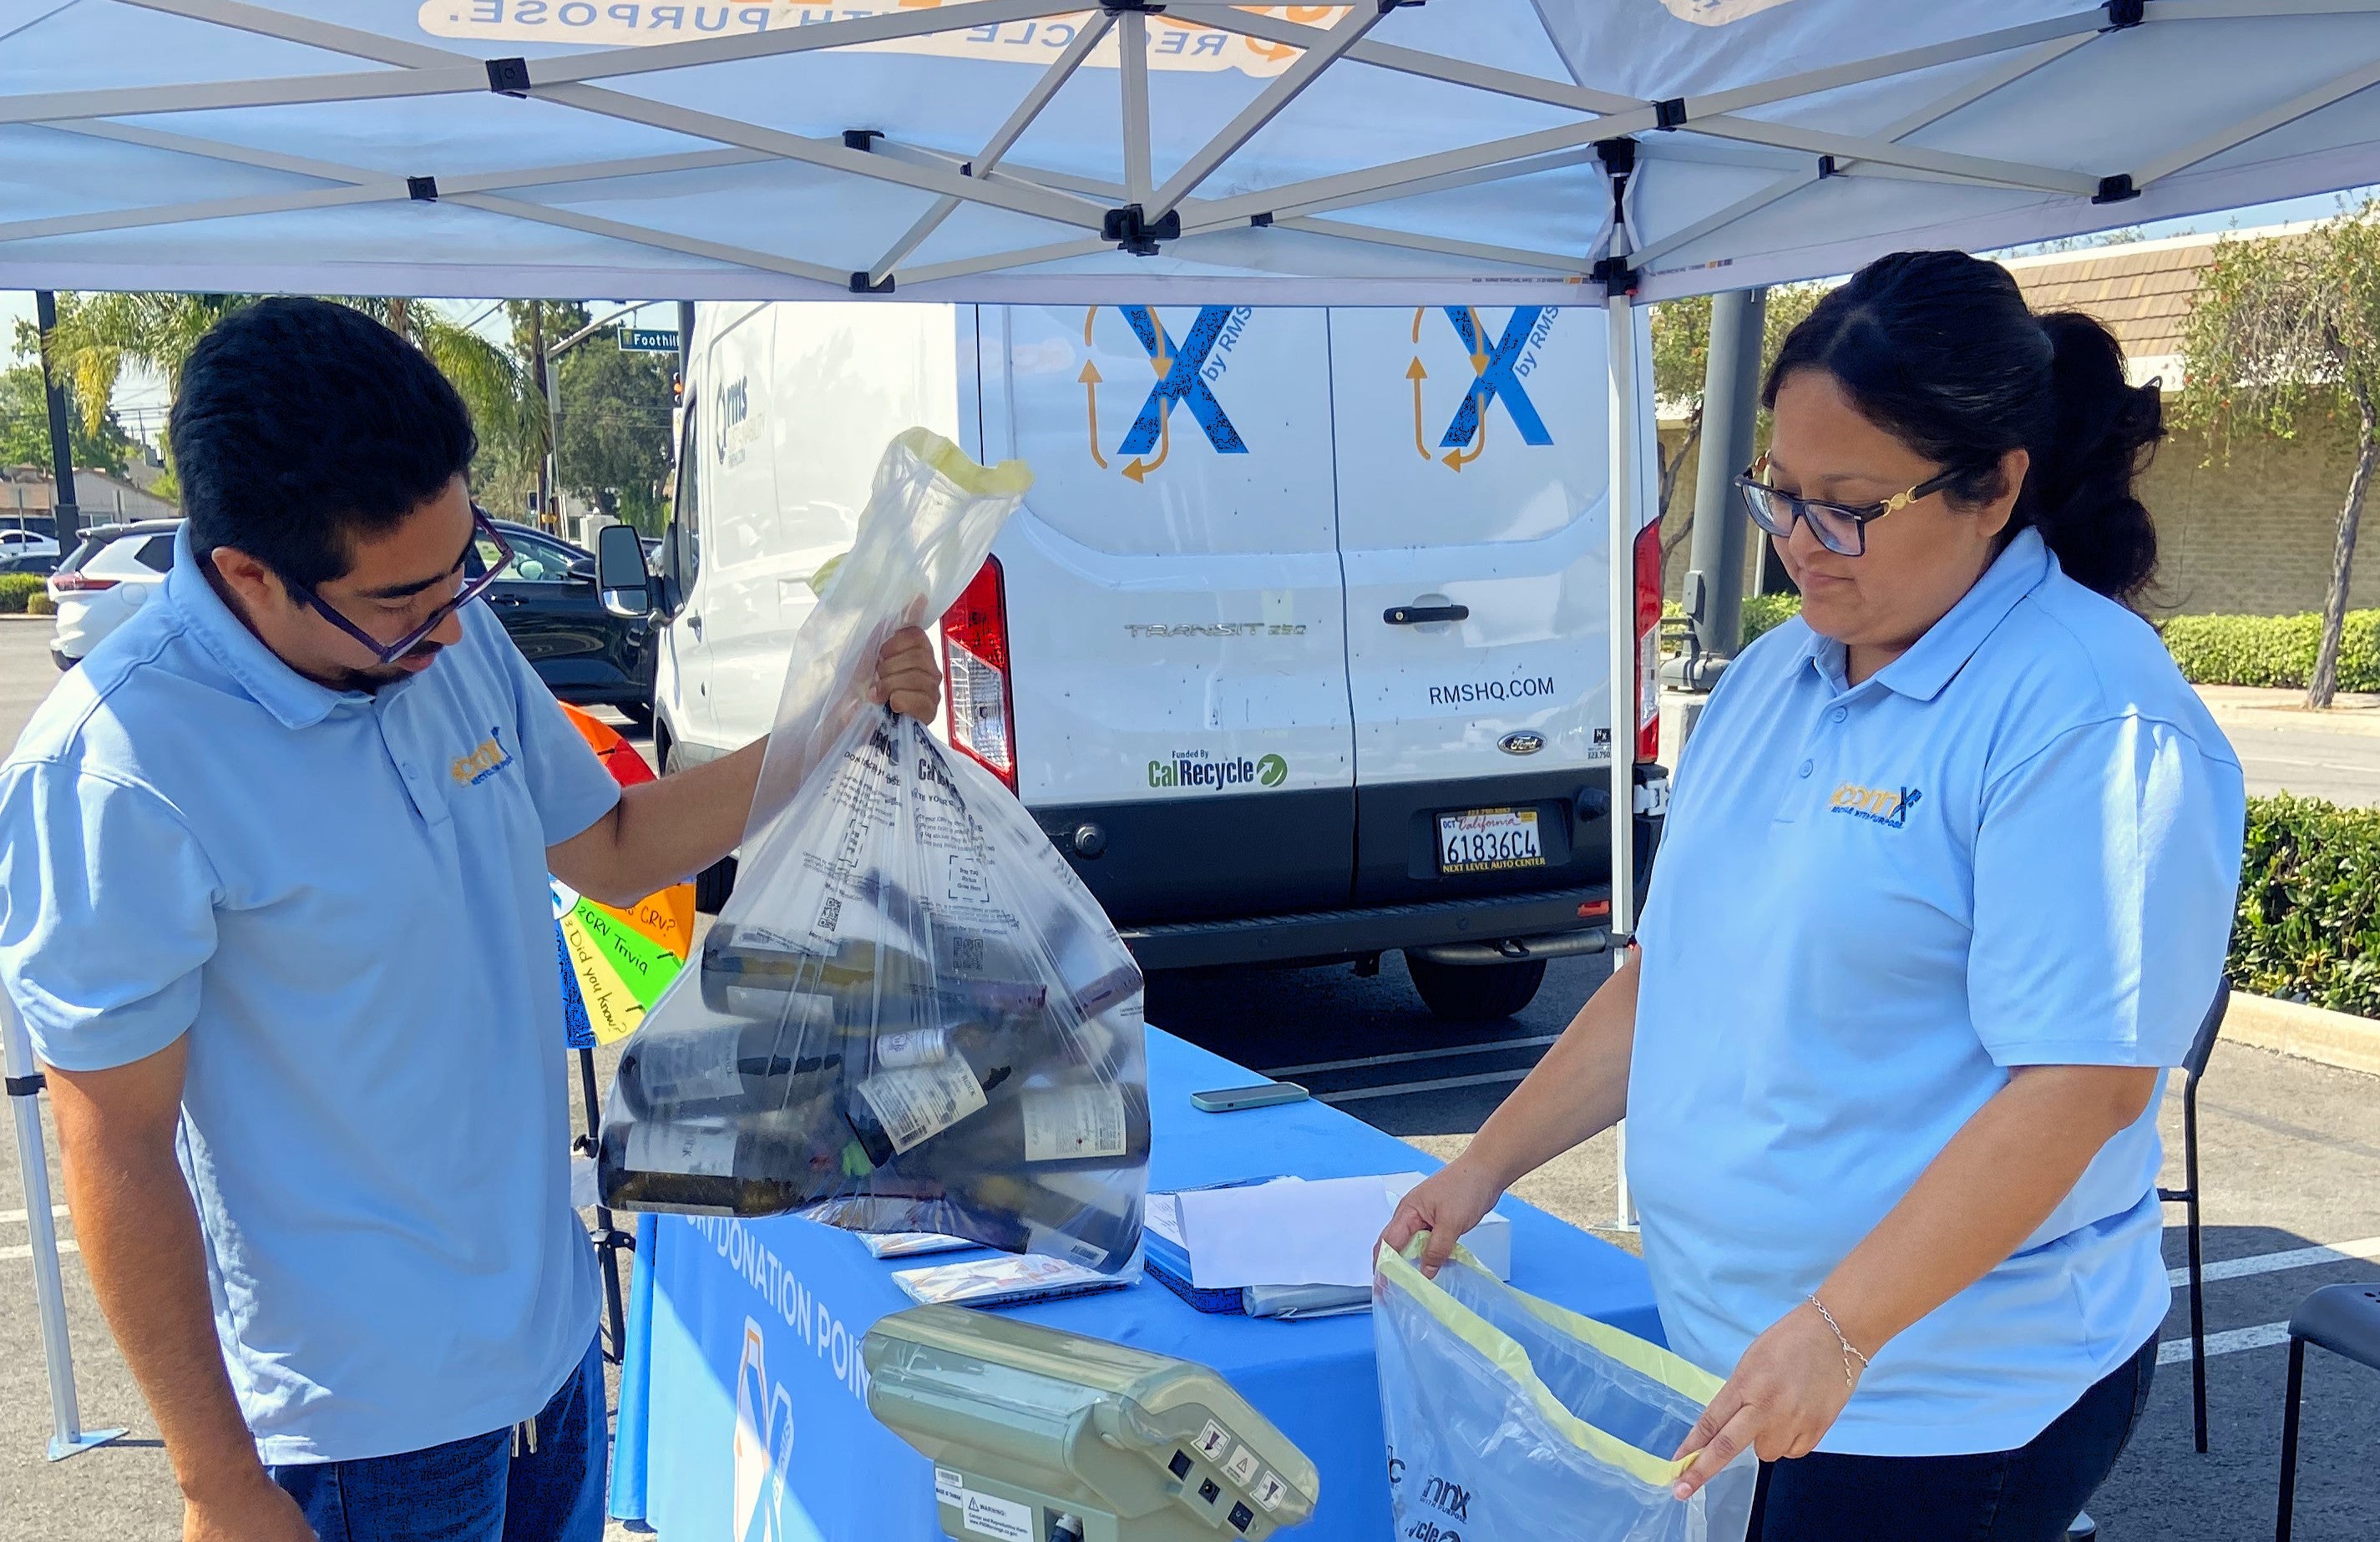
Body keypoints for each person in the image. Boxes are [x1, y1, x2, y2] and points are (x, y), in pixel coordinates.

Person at [0, 297, 943, 1542]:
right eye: (400, 598)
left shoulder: (455, 644)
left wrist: (834, 726)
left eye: (464, 569)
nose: (449, 619)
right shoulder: (121, 767)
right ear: (246, 575)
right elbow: (113, 1144)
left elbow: (616, 848)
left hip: (548, 1359)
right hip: (359, 1429)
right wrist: (213, 1480)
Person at [1385, 250, 2245, 1541]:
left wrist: (1840, 1331)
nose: (1796, 545)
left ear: (1994, 487)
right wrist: (1485, 1166)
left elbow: (2079, 1088)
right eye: (1778, 493)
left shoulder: (2088, 717)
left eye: (1848, 505)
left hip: (1940, 1394)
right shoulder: (1775, 676)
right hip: (1750, 1350)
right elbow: (1669, 976)